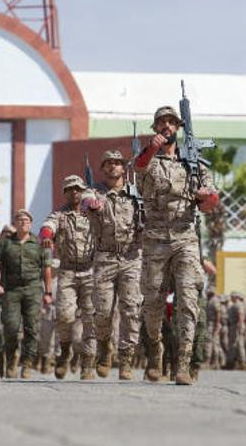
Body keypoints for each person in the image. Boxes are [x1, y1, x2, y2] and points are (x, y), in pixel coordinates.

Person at [134, 105, 219, 385]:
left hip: (185, 238)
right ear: (155, 128)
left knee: (188, 300)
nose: (167, 127)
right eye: (162, 123)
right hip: (155, 238)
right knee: (153, 305)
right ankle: (156, 351)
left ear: (179, 128)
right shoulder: (148, 160)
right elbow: (139, 167)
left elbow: (208, 206)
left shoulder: (193, 164)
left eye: (172, 123)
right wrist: (150, 148)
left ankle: (182, 364)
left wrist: (206, 196)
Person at [82, 150, 144, 380]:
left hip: (131, 257)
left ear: (124, 168)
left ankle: (126, 359)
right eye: (107, 163)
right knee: (103, 311)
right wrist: (91, 204)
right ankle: (104, 348)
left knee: (130, 309)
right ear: (102, 168)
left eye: (117, 163)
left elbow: (148, 216)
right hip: (105, 257)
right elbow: (84, 201)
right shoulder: (95, 191)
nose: (112, 167)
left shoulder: (136, 193)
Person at [40, 176, 96, 380]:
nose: (74, 192)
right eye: (70, 189)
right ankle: (64, 352)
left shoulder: (93, 214)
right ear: (65, 193)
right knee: (64, 316)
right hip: (67, 272)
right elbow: (47, 227)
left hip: (90, 271)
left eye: (78, 189)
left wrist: (95, 204)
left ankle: (88, 364)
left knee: (90, 318)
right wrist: (46, 237)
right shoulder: (59, 215)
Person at [0, 209, 53, 379]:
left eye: (26, 220)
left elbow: (46, 269)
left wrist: (48, 291)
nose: (23, 222)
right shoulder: (5, 244)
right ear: (15, 223)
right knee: (11, 327)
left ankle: (27, 364)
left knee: (32, 328)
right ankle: (11, 360)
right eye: (19, 220)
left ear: (31, 223)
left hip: (33, 289)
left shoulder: (39, 243)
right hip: (12, 290)